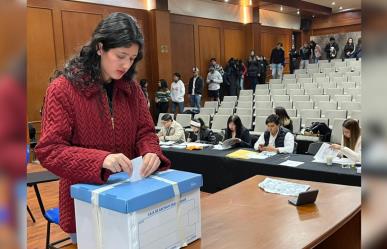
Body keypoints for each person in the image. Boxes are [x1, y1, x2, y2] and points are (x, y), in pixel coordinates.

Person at [35, 13, 171, 241]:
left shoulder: (132, 90)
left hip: (130, 200)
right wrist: (100, 160)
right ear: (100, 48)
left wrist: (151, 152)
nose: (126, 65)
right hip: (84, 207)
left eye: (132, 58)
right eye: (120, 56)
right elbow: (49, 150)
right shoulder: (63, 90)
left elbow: (145, 132)